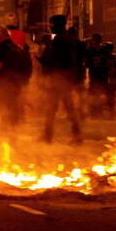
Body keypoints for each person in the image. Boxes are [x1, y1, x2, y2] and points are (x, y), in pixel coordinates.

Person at [38, 15, 83, 144]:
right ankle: (74, 135)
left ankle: (49, 135)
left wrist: (43, 60)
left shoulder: (59, 39)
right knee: (66, 108)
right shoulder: (71, 38)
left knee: (54, 108)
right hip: (66, 77)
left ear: (58, 24)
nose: (50, 27)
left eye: (52, 24)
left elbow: (54, 59)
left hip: (59, 77)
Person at [0, 26, 24, 136]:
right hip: (12, 84)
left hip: (4, 84)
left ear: (3, 35)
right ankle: (12, 135)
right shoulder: (14, 47)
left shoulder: (4, 48)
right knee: (10, 111)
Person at [85, 33, 114, 118]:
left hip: (99, 74)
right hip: (98, 74)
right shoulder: (101, 50)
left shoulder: (91, 50)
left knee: (98, 93)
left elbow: (87, 64)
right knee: (98, 93)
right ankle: (97, 110)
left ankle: (97, 111)